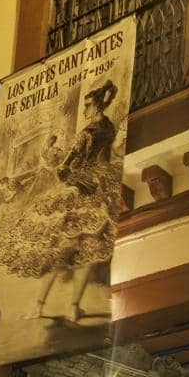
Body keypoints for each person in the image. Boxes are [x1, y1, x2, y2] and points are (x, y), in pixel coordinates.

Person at [31, 79, 122, 322]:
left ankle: (39, 306)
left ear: (97, 106)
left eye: (88, 105)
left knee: (59, 253)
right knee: (87, 253)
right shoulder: (109, 127)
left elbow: (64, 168)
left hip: (79, 194)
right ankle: (73, 308)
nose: (84, 110)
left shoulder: (86, 134)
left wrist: (59, 166)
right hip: (99, 193)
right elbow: (106, 158)